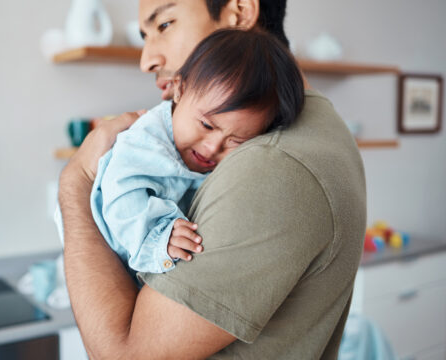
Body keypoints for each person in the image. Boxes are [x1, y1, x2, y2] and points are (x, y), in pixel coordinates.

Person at [58, 0, 367, 359]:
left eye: (165, 24)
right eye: (144, 35)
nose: (147, 60)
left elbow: (122, 355)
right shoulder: (315, 132)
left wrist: (76, 181)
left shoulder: (273, 163)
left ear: (238, 12)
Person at [56, 29, 304, 278]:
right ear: (179, 90)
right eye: (207, 125)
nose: (212, 148)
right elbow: (122, 193)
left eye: (236, 141)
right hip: (105, 247)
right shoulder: (147, 139)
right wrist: (159, 235)